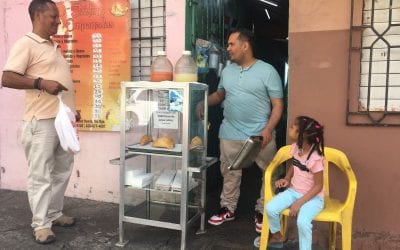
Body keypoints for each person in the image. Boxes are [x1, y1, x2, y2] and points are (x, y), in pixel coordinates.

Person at [1, 0, 78, 244]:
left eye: (58, 17)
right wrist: (40, 83)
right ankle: (41, 225)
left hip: (60, 121)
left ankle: (54, 214)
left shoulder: (52, 46)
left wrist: (72, 112)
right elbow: (7, 77)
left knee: (62, 170)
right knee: (41, 174)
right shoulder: (27, 43)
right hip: (40, 122)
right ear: (37, 15)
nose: (58, 21)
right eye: (53, 16)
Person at [197, 28, 284, 232]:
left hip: (260, 135)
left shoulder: (268, 71)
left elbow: (278, 105)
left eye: (231, 44)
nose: (227, 48)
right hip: (230, 133)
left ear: (245, 46)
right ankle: (228, 208)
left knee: (269, 173)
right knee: (229, 172)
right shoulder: (227, 71)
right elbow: (219, 96)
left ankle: (264, 210)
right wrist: (202, 102)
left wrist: (268, 129)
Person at [254, 116, 325, 249]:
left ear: (302, 135)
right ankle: (278, 235)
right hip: (294, 192)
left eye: (293, 127)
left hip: (313, 198)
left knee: (303, 222)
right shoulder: (296, 148)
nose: (289, 128)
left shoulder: (315, 158)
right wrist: (287, 178)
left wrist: (299, 202)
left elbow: (318, 186)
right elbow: (295, 164)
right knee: (270, 208)